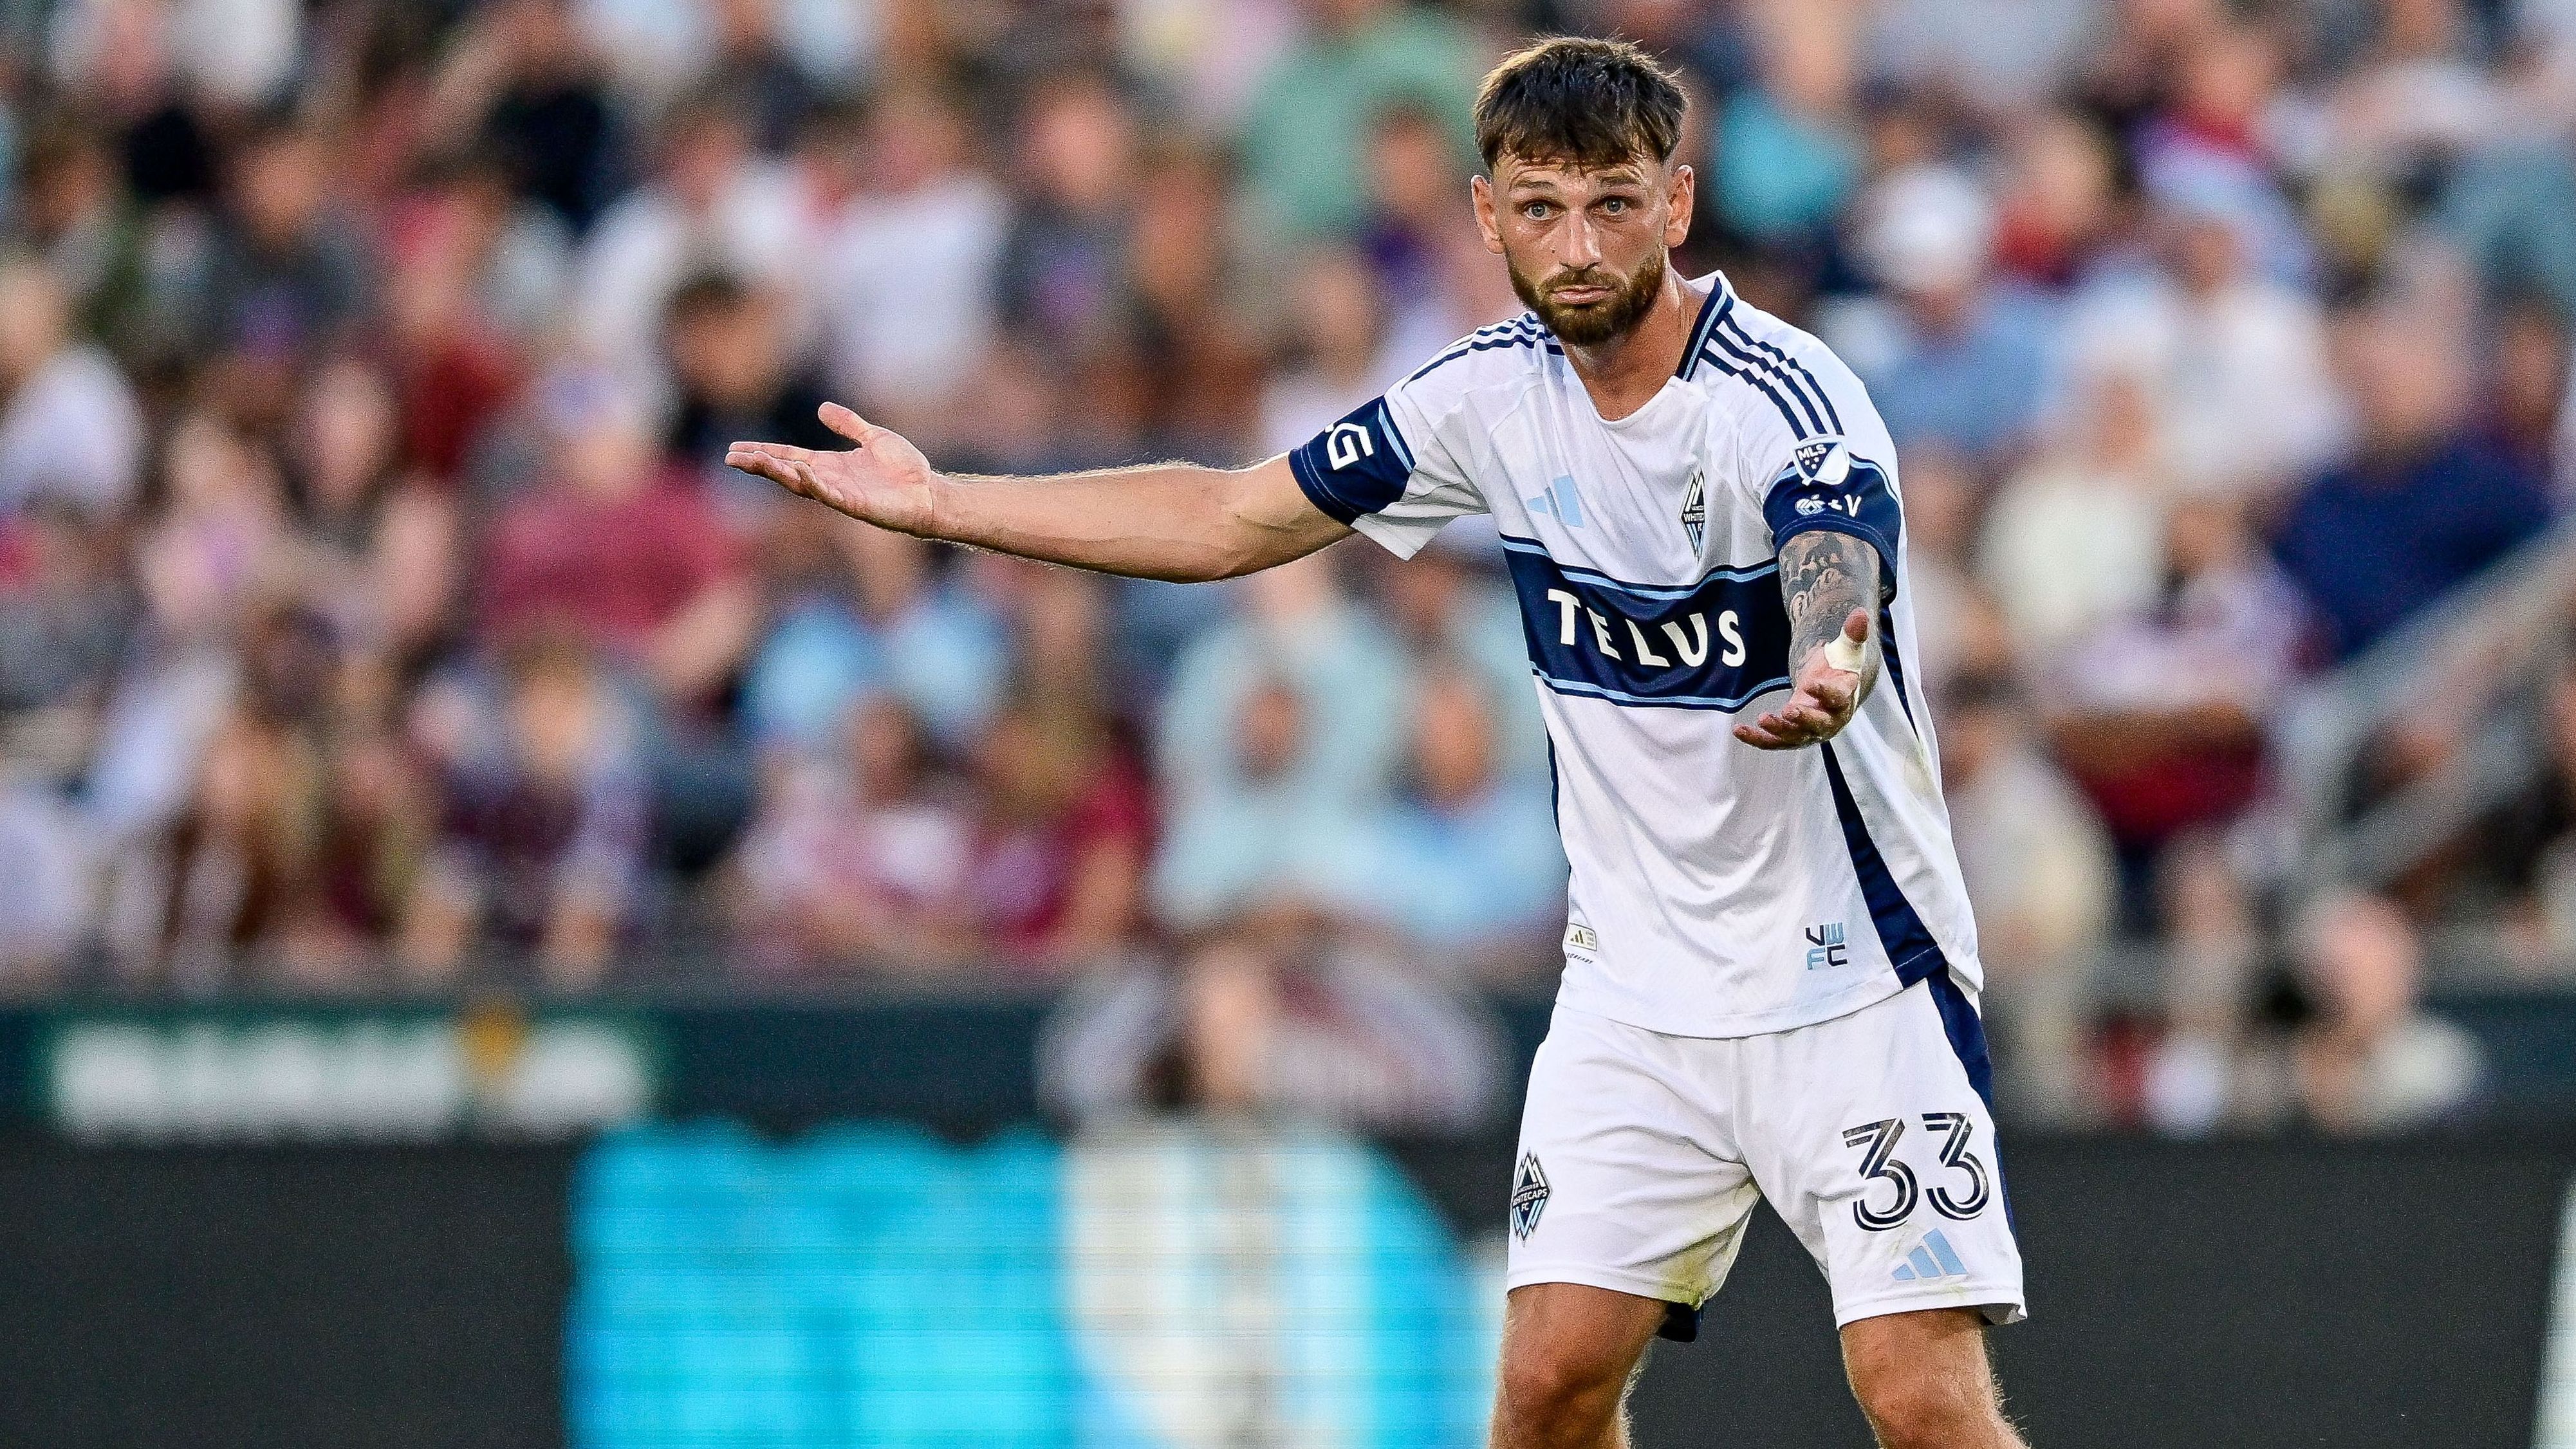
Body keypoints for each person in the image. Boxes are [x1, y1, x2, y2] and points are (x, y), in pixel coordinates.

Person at [730, 39, 2030, 1448]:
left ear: (1678, 202)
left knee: (1919, 1401)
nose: (1577, 245)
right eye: (1540, 208)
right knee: (1543, 1389)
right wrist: (943, 505)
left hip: (1851, 980)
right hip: (1636, 994)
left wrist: (1828, 661)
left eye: (1611, 204)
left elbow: (1834, 558)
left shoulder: (1785, 396)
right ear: (1485, 216)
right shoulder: (1482, 398)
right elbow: (1229, 518)